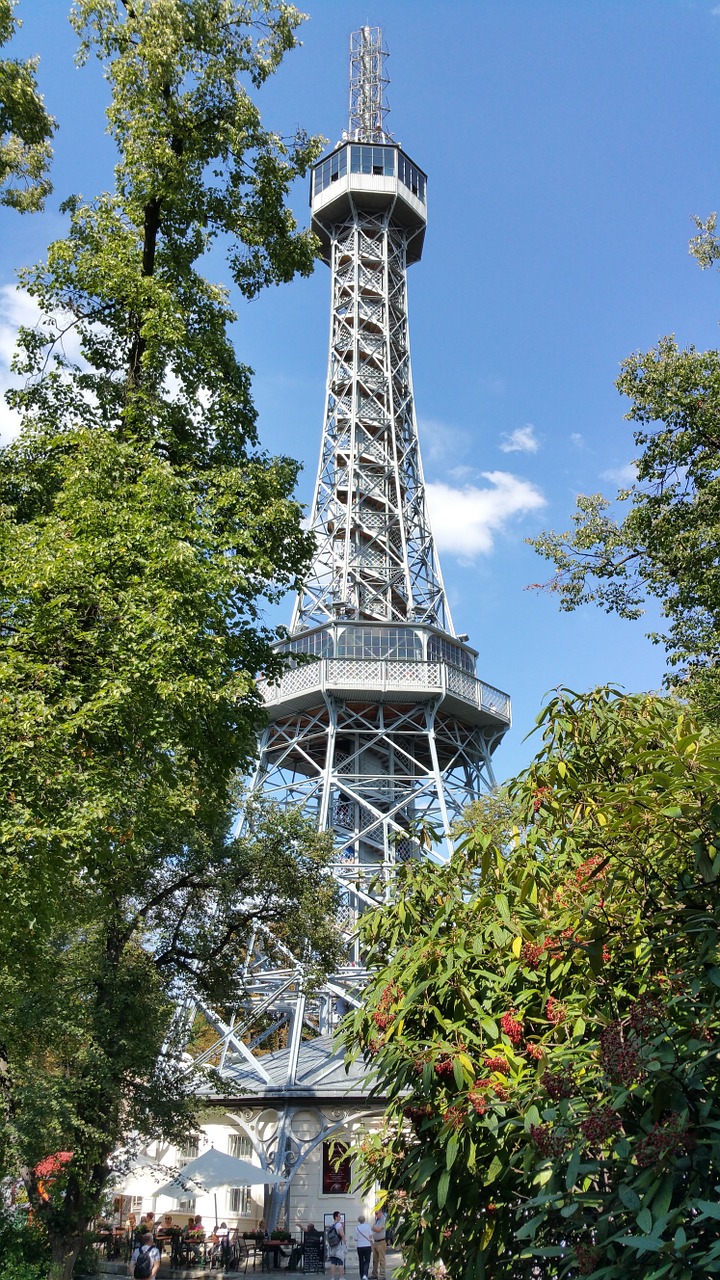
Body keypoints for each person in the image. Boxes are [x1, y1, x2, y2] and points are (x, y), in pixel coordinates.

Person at [326, 1212, 345, 1280]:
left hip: (332, 1246)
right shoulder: (339, 1225)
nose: (340, 1217)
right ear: (336, 1217)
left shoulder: (331, 1224)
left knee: (333, 1262)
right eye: (339, 1216)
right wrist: (344, 1242)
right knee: (340, 1262)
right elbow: (342, 1234)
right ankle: (341, 1277)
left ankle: (332, 1278)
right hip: (338, 1245)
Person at [370, 1208, 386, 1280]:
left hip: (381, 1242)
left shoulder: (383, 1219)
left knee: (382, 1259)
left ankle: (382, 1275)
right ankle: (374, 1274)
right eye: (375, 1214)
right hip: (375, 1242)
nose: (376, 1215)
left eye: (377, 1213)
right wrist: (374, 1228)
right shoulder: (377, 1220)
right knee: (375, 1259)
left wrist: (374, 1228)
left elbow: (378, 1230)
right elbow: (372, 1228)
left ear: (380, 1212)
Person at [354, 1216, 372, 1280]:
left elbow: (355, 1239)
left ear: (359, 1221)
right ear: (364, 1220)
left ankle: (361, 1275)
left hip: (359, 1246)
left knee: (361, 1261)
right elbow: (370, 1236)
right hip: (367, 1245)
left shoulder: (357, 1228)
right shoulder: (367, 1226)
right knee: (367, 1261)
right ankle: (365, 1275)